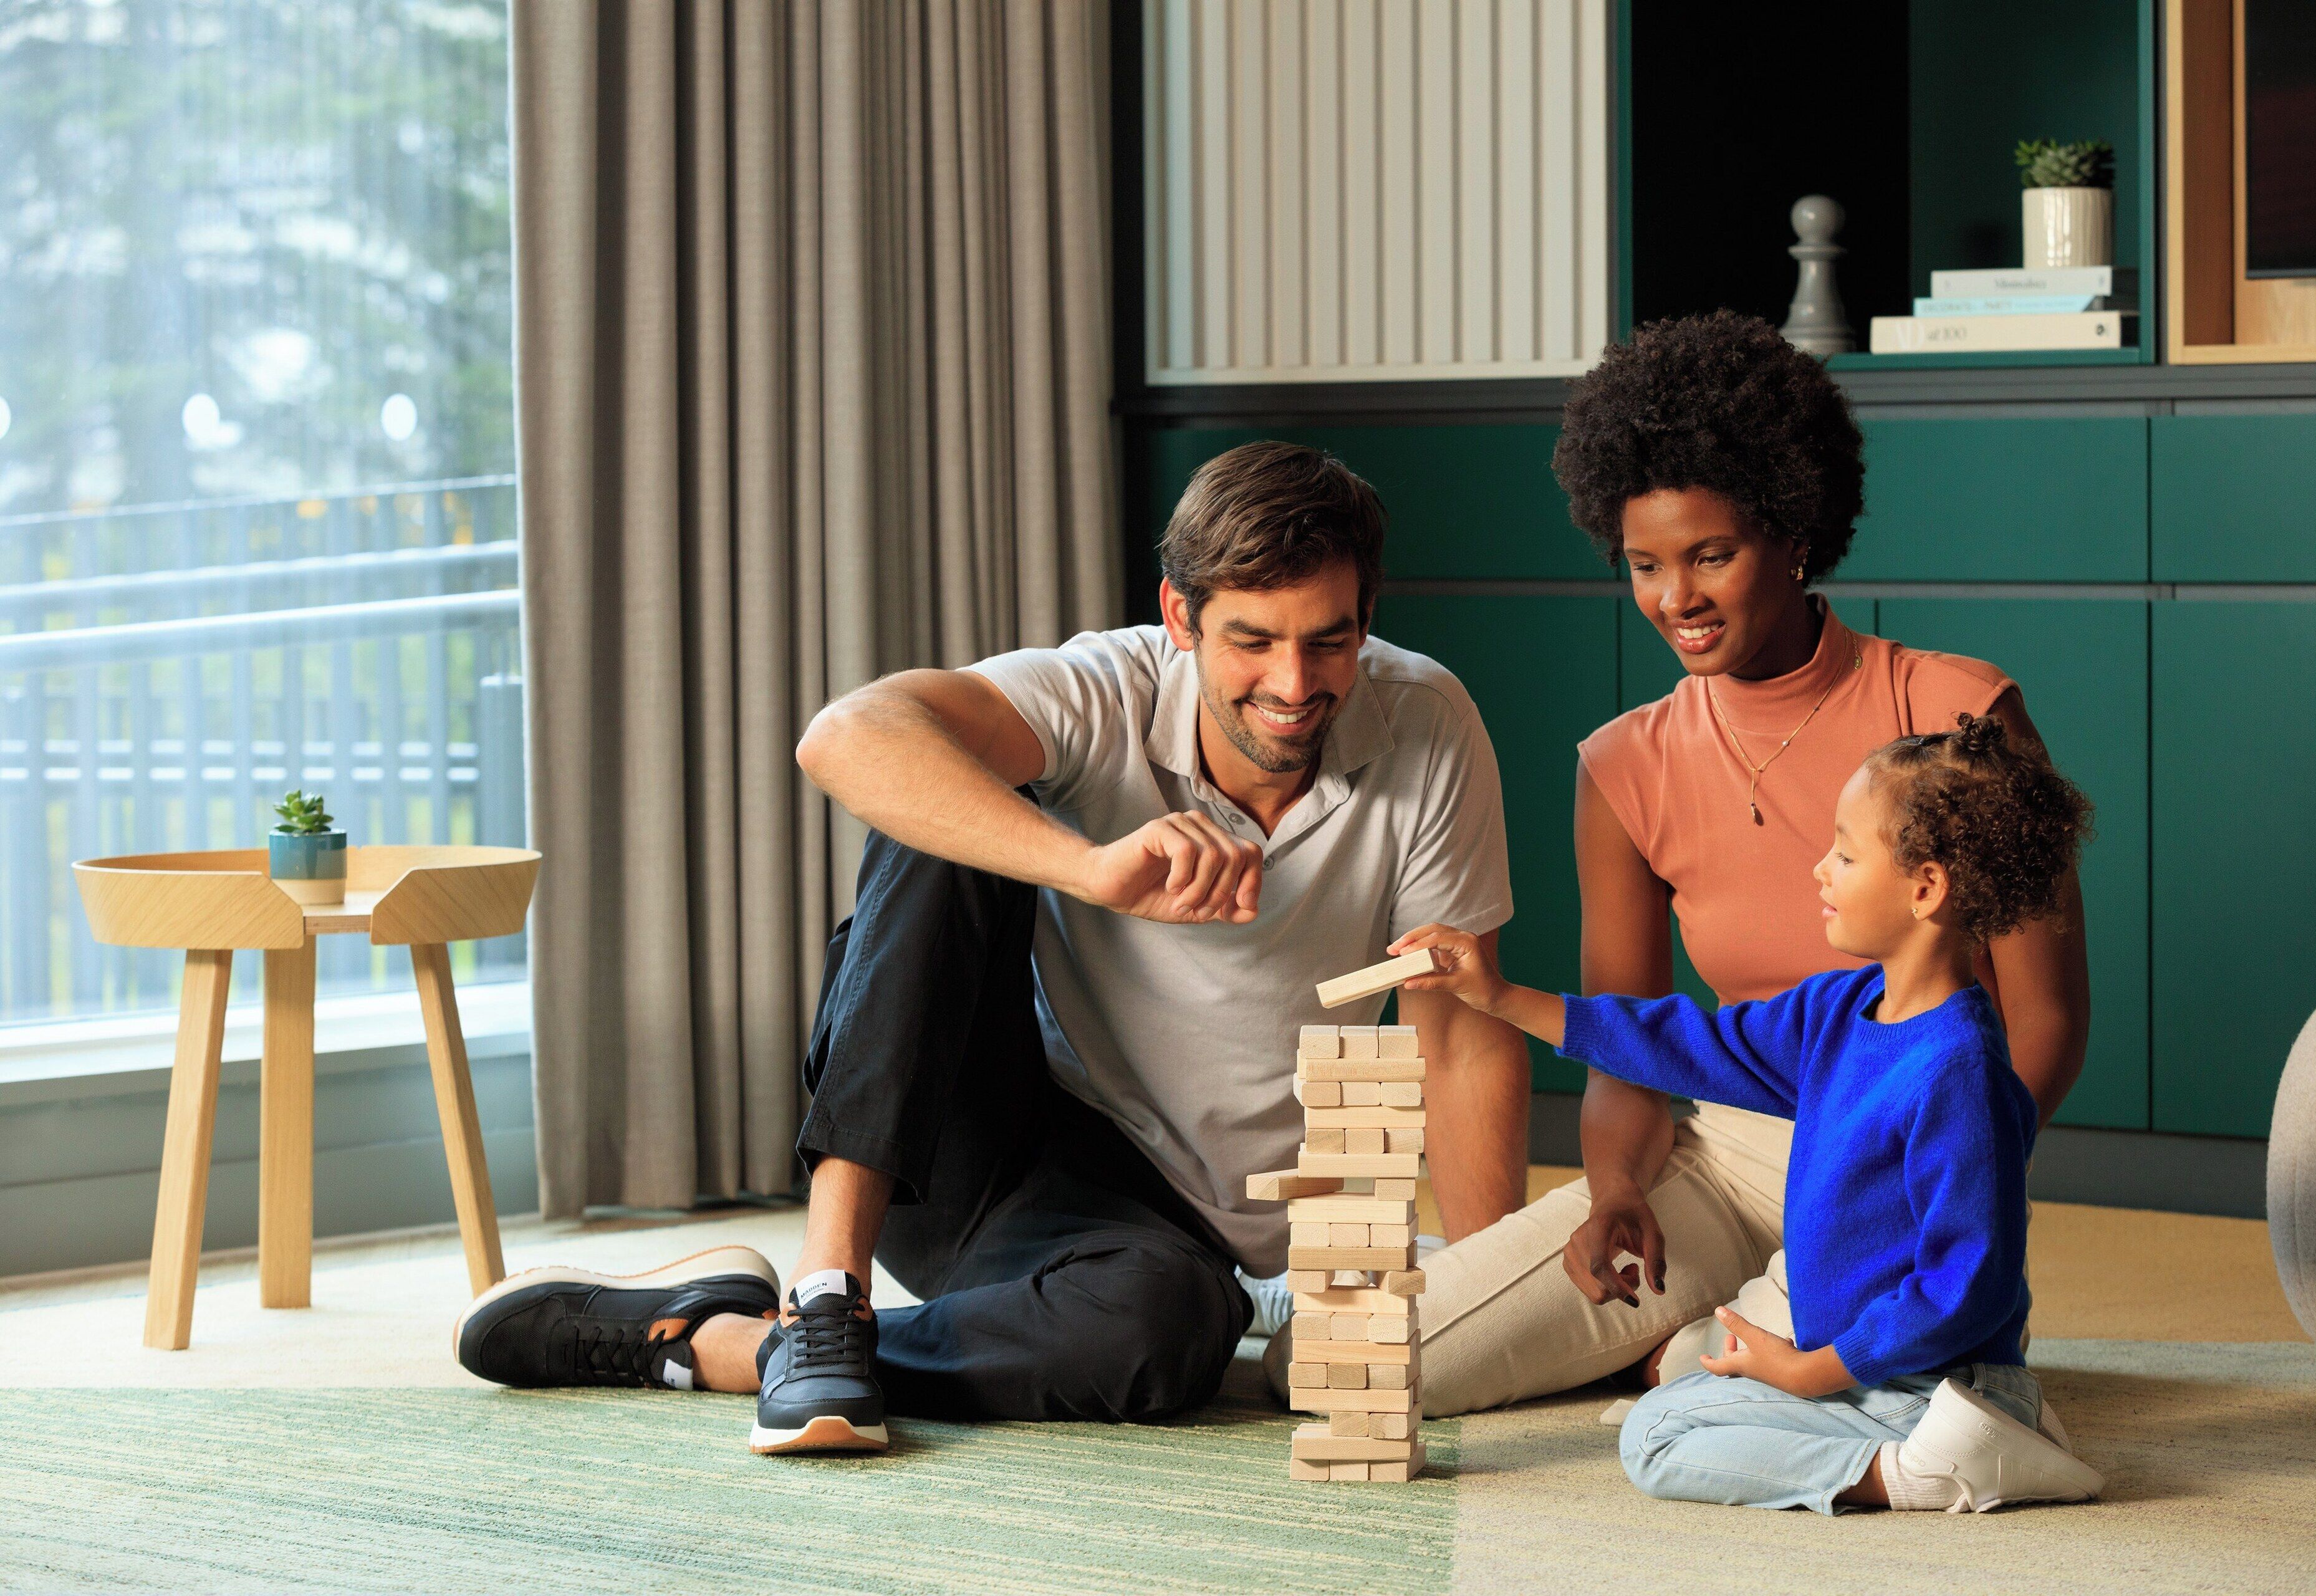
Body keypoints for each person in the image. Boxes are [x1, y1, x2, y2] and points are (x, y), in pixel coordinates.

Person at [449, 440, 1530, 1453]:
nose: (1295, 687)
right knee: (943, 813)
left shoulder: (1427, 725)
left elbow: (1462, 1039)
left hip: (1173, 1245)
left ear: (1367, 618)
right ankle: (827, 1295)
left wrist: (1498, 1304)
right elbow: (845, 736)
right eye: (1252, 640)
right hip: (987, 1153)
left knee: (1170, 1337)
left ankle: (725, 1344)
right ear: (1181, 618)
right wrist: (1092, 867)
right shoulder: (1103, 690)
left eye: (1328, 640)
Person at [1401, 310, 2094, 1418]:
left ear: (1794, 532)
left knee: (1707, 1386)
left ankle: (1724, 1349)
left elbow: (2046, 1014)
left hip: (1908, 1153)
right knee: (1393, 1358)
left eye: (1710, 555)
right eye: (1644, 565)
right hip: (1722, 1156)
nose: (1677, 597)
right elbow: (1633, 1034)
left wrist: (1956, 1168)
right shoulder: (1625, 765)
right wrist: (1619, 1187)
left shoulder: (1958, 713)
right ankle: (1693, 1330)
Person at [1396, 714, 2107, 1513]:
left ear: (1925, 888)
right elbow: (1684, 1043)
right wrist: (1498, 996)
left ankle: (1932, 1465)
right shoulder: (1843, 1010)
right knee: (1673, 1405)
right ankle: (1965, 1439)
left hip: (1929, 1375)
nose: (1819, 869)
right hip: (1869, 1363)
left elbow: (1966, 1285)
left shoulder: (1960, 1073)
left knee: (1655, 1440)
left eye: (1844, 852)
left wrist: (1817, 1371)